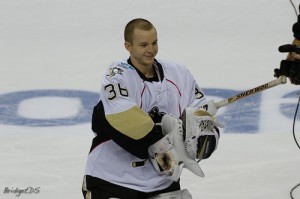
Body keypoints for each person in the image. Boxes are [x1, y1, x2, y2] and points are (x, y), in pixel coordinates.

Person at [82, 18, 220, 199]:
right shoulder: (117, 75)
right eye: (144, 45)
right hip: (113, 181)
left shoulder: (178, 72)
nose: (151, 50)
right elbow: (129, 125)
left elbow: (200, 111)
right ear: (128, 46)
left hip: (162, 183)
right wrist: (169, 135)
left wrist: (205, 132)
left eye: (154, 43)